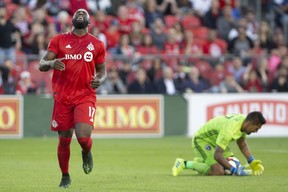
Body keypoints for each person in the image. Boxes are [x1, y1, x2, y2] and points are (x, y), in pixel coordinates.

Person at [39, 9, 106, 188]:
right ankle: (65, 175)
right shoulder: (59, 40)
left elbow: (102, 70)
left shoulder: (97, 44)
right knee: (65, 139)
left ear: (89, 22)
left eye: (84, 13)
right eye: (78, 13)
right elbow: (42, 64)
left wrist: (99, 79)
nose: (80, 14)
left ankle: (86, 150)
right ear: (73, 20)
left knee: (83, 137)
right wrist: (52, 63)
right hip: (63, 97)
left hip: (85, 95)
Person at [172, 111, 266, 176]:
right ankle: (184, 164)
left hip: (216, 141)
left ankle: (202, 162)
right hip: (201, 140)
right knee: (219, 171)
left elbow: (242, 144)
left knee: (231, 165)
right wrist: (234, 170)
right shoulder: (229, 129)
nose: (256, 131)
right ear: (250, 123)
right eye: (256, 128)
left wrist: (251, 161)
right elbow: (217, 155)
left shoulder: (243, 121)